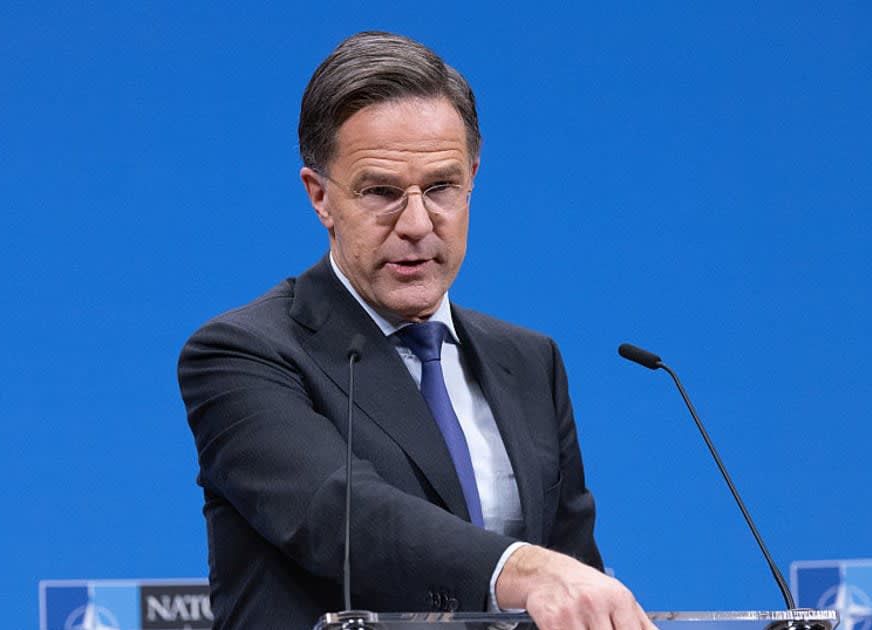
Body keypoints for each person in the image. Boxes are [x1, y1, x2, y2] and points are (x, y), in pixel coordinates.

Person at [178, 31, 655, 630]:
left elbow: (572, 575)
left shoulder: (530, 361)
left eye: (440, 188)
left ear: (472, 178)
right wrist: (524, 569)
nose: (416, 222)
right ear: (320, 196)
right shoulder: (242, 353)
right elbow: (340, 515)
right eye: (381, 192)